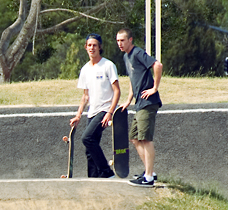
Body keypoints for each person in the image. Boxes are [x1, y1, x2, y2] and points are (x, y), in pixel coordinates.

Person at [116, 28, 162, 187]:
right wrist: (129, 100)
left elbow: (157, 64)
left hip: (148, 102)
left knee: (145, 139)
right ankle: (150, 172)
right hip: (139, 104)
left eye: (122, 40)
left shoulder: (137, 53)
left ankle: (148, 178)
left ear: (130, 40)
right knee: (135, 138)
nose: (120, 44)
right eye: (118, 41)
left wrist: (155, 87)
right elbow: (132, 78)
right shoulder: (126, 57)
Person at [69, 34, 120, 178]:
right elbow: (86, 95)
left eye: (94, 45)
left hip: (104, 110)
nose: (92, 48)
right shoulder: (85, 69)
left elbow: (117, 91)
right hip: (92, 112)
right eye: (89, 45)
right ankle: (94, 180)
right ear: (86, 47)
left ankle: (107, 172)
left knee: (87, 138)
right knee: (89, 149)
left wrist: (110, 113)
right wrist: (78, 115)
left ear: (100, 47)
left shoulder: (108, 65)